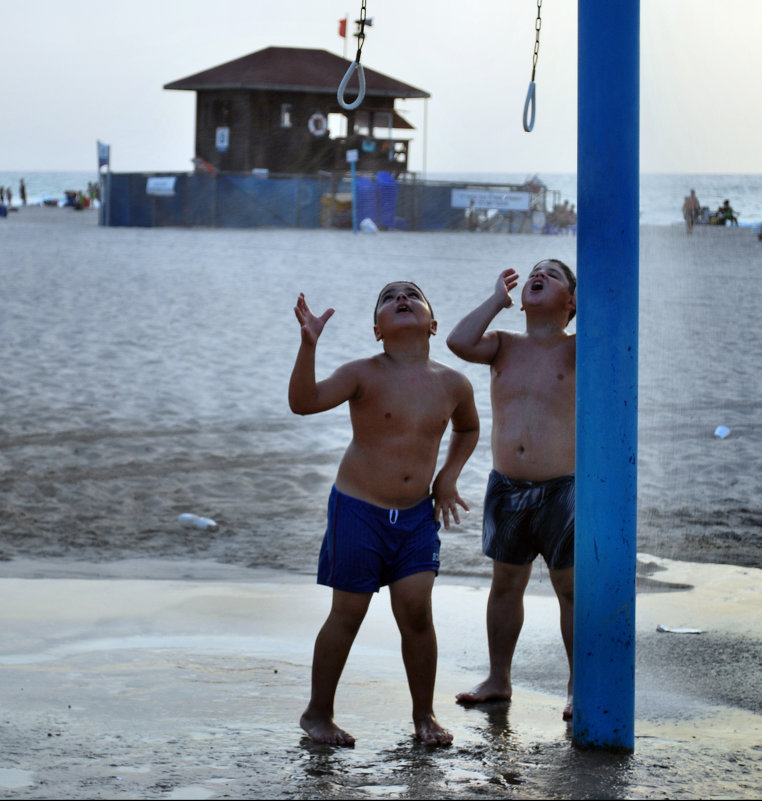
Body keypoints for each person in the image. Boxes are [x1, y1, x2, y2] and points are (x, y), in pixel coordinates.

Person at [289, 281, 480, 746]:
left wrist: (448, 477)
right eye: (389, 298)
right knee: (348, 613)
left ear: (432, 323)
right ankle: (318, 714)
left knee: (416, 612)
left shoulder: (453, 383)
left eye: (411, 294)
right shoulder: (362, 374)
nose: (400, 298)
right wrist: (308, 346)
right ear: (378, 330)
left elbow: (469, 428)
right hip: (359, 511)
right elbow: (303, 402)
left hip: (415, 518)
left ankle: (424, 717)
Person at [446, 260, 577, 721]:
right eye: (535, 272)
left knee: (571, 590)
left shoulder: (578, 348)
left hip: (563, 489)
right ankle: (498, 677)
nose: (538, 274)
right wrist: (495, 302)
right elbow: (457, 341)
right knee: (505, 585)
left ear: (571, 302)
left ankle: (578, 685)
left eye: (553, 274)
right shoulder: (502, 345)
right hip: (507, 487)